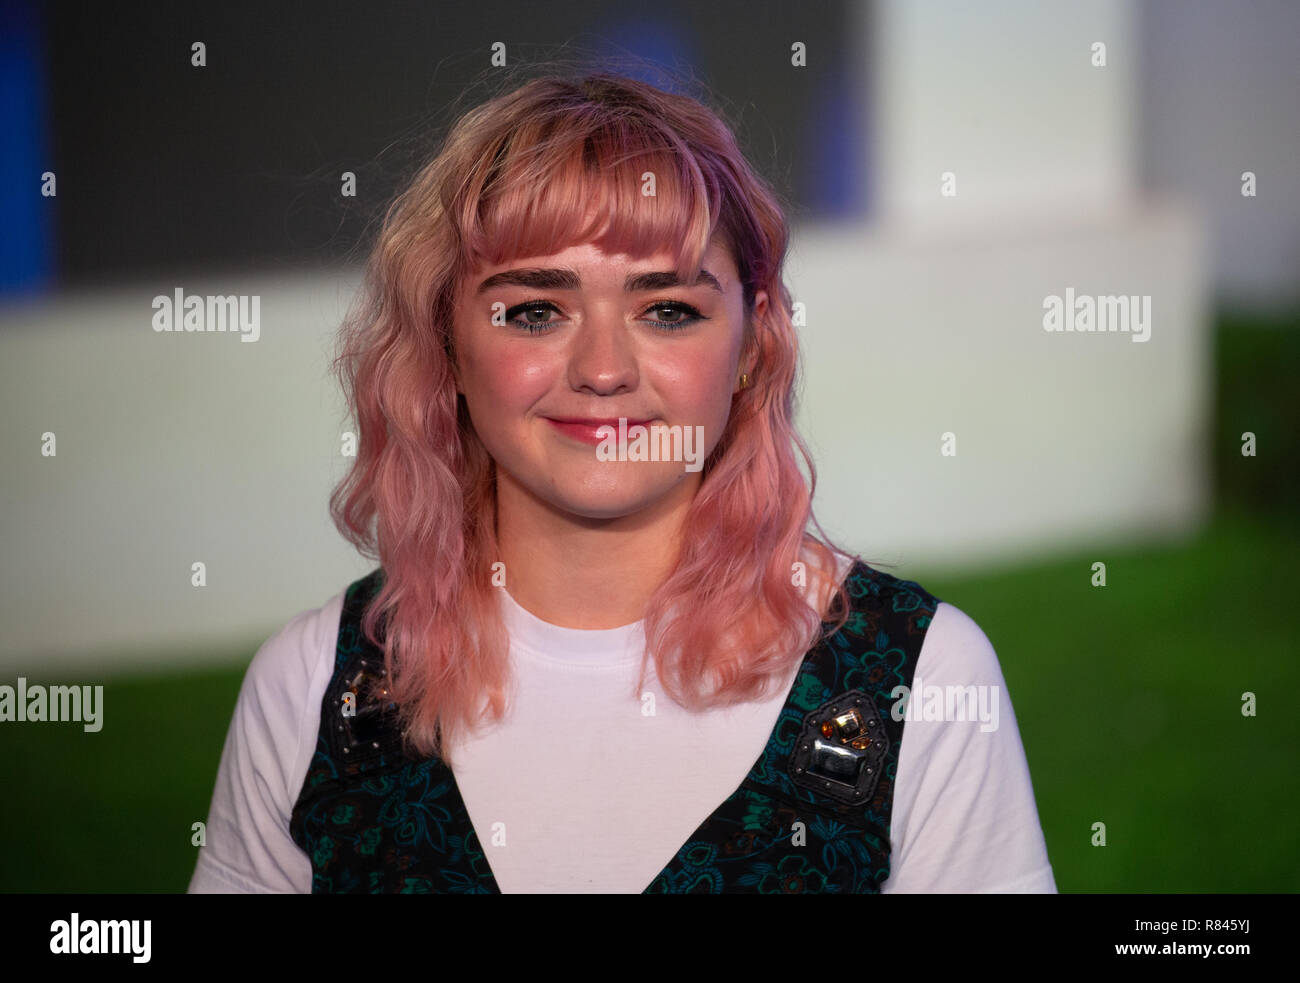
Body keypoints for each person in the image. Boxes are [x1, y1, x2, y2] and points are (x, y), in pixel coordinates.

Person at [188, 70, 1056, 894]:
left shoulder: (925, 679)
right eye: (535, 310)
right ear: (444, 345)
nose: (603, 370)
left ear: (753, 346)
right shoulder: (309, 686)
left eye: (666, 309)